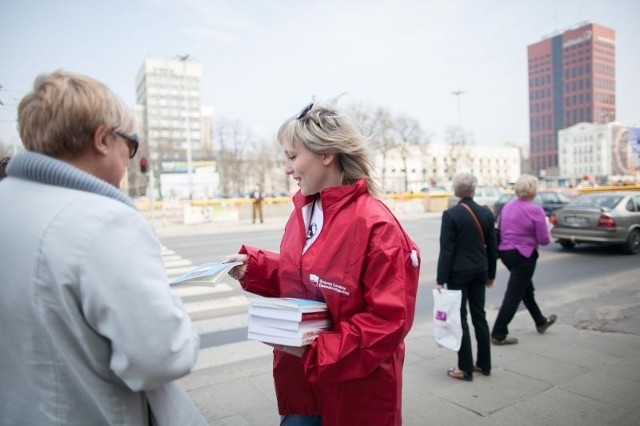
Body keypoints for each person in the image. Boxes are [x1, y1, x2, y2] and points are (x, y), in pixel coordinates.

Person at [0, 70, 205, 425]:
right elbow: (163, 355)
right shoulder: (105, 221)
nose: (129, 158)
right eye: (132, 144)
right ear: (102, 140)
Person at [225, 101, 420, 426]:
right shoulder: (305, 209)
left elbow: (388, 321)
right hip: (303, 384)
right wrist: (255, 267)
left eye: (292, 156)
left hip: (355, 392)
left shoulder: (376, 224)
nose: (287, 168)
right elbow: (305, 274)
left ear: (326, 154)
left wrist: (318, 352)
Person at [436, 172, 497, 381]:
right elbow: (492, 247)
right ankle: (484, 364)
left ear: (456, 190)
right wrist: (491, 274)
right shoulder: (486, 213)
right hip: (480, 270)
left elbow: (446, 250)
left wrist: (440, 279)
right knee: (479, 316)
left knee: (459, 318)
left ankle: (465, 368)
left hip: (458, 274)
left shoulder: (451, 215)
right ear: (474, 189)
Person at [491, 174, 557, 345]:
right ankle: (498, 333)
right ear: (533, 190)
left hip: (506, 253)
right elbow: (543, 240)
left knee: (526, 289)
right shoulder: (535, 210)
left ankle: (540, 321)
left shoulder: (507, 206)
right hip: (524, 254)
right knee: (514, 294)